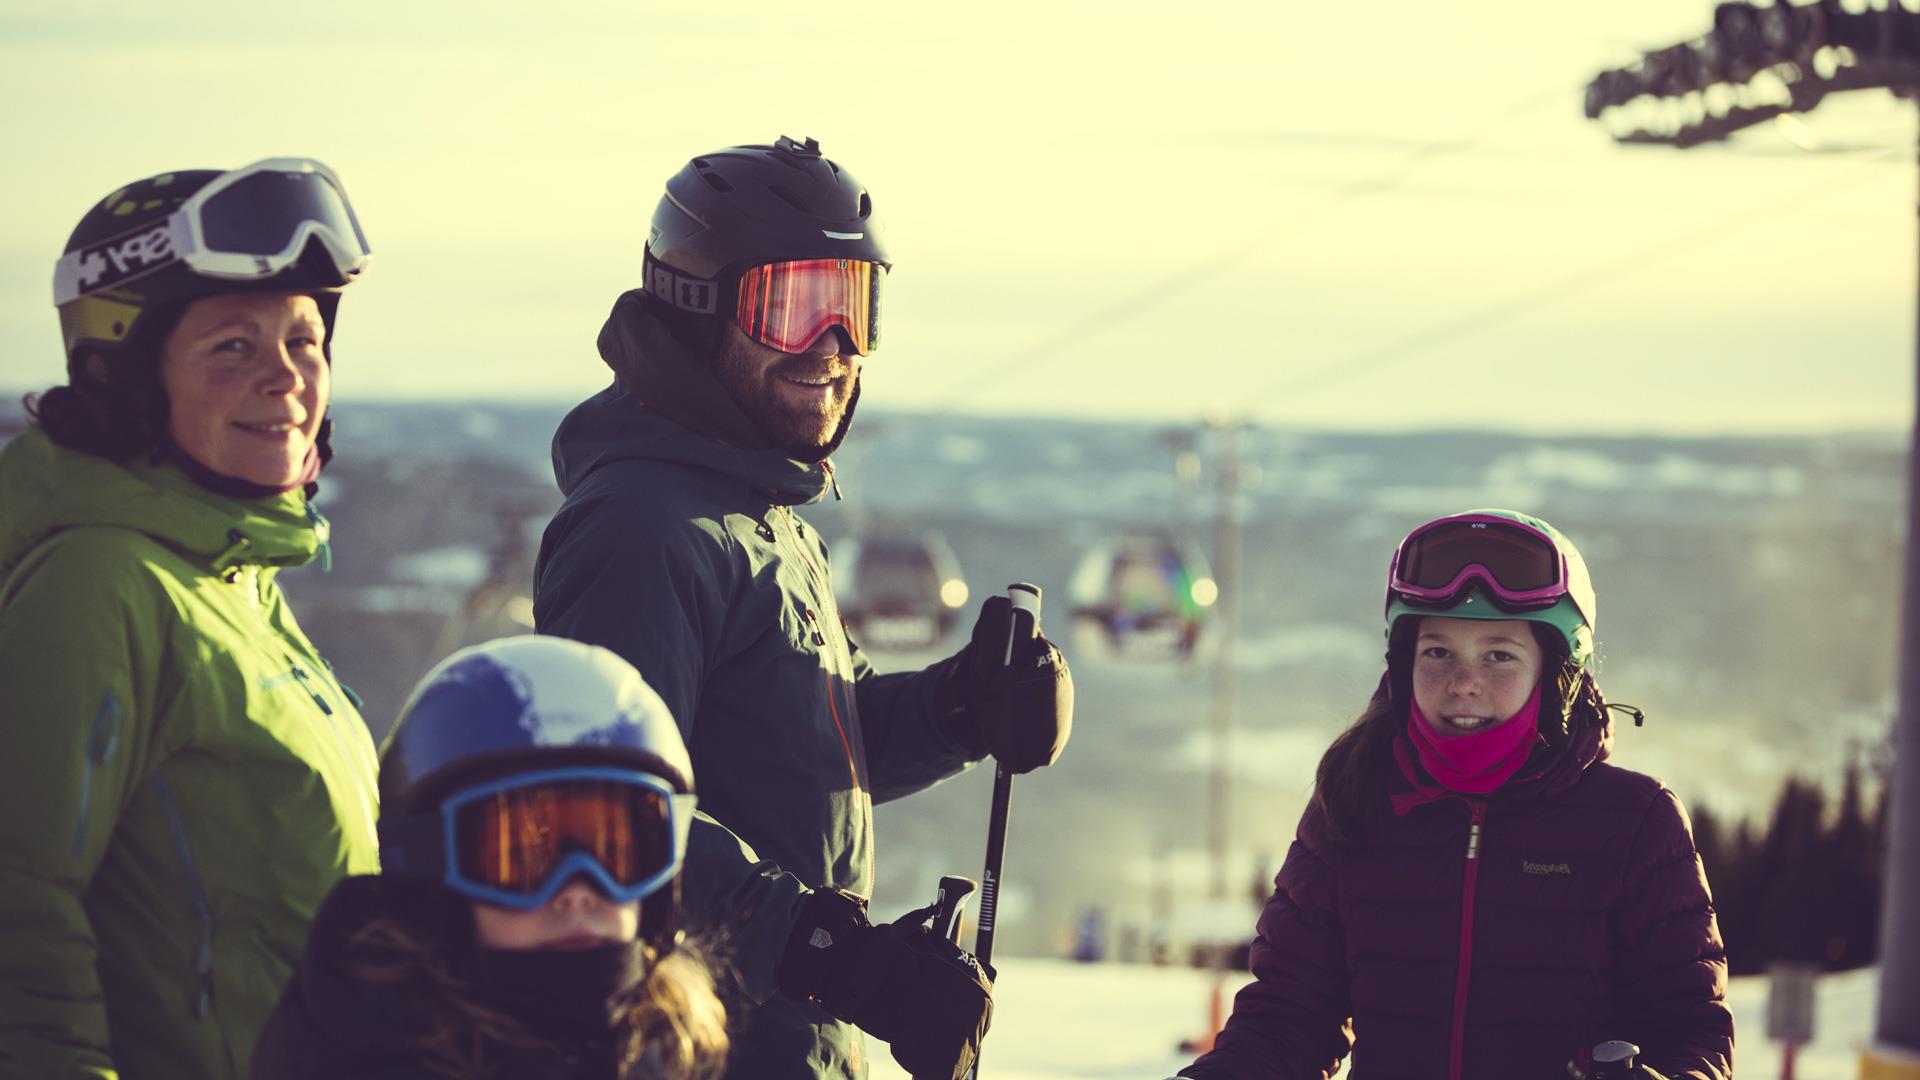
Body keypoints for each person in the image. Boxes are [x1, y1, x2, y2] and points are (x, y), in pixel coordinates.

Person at [533, 135, 1074, 1080]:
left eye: (855, 310)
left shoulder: (762, 518)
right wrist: (838, 958)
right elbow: (608, 824)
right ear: (697, 309)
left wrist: (959, 707)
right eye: (795, 308)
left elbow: (807, 738)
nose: (835, 350)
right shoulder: (642, 530)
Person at [0, 159, 379, 1079]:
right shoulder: (98, 584)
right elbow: (20, 915)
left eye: (304, 341)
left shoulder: (233, 576)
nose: (286, 379)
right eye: (232, 348)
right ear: (129, 381)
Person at [1173, 509, 1734, 1080]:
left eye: (1499, 656)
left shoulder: (1635, 823)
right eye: (1437, 652)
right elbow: (1287, 1020)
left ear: (1557, 672)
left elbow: (1690, 1027)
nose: (1464, 682)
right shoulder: (1353, 806)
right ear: (1402, 663)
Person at [251, 635, 730, 1080]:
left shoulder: (659, 1052)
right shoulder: (357, 1057)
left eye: (614, 852)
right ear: (429, 882)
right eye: (521, 858)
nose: (577, 892)